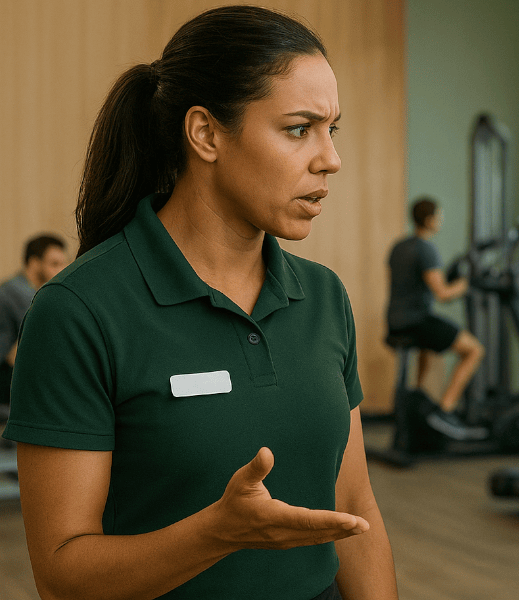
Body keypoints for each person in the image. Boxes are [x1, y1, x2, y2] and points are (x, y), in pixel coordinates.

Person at [2, 7, 396, 600]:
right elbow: (62, 573)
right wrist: (216, 533)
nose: (329, 158)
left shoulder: (324, 298)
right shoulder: (77, 311)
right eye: (298, 129)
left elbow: (353, 508)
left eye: (331, 129)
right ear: (206, 134)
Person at [385, 197, 486, 440]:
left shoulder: (398, 247)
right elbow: (442, 293)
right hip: (416, 320)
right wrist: (464, 285)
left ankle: (417, 406)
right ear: (429, 220)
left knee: (427, 349)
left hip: (394, 321)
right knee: (474, 350)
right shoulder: (426, 248)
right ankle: (445, 410)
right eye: (439, 216)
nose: (440, 220)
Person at [0, 234, 67, 408]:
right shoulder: (16, 293)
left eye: (64, 263)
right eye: (55, 264)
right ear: (34, 263)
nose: (63, 270)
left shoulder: (34, 291)